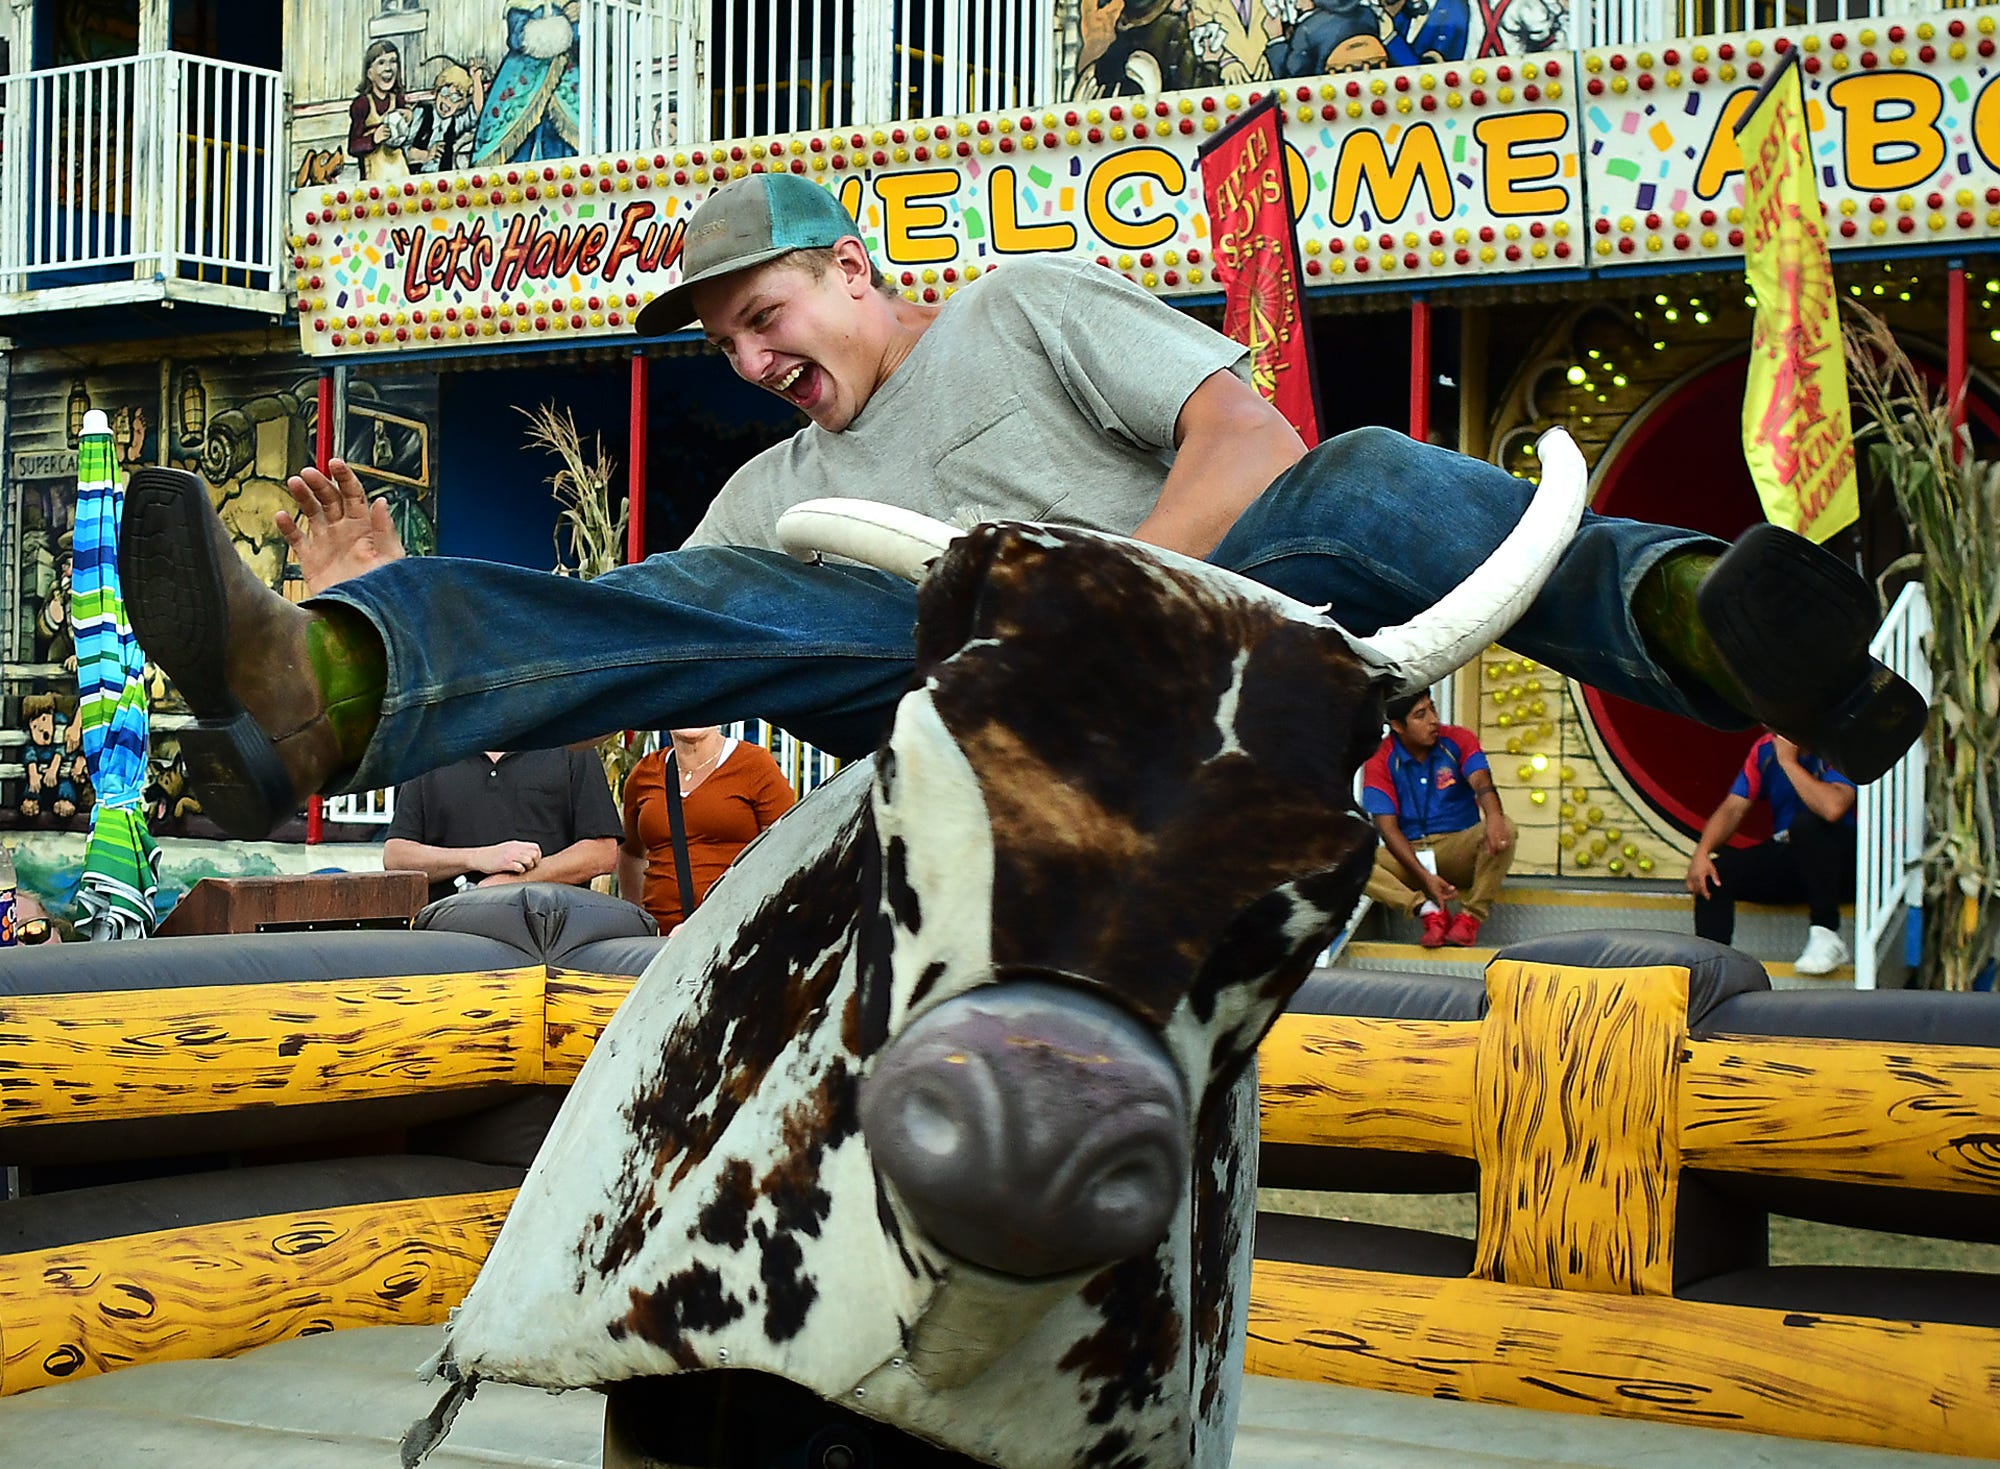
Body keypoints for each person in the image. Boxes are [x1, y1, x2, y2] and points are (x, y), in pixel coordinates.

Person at [118, 173, 1927, 846]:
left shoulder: (1017, 310)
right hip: (957, 685)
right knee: (725, 594)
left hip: (1206, 629)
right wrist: (383, 579)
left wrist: (1114, 593)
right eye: (729, 344)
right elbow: (651, 627)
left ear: (854, 270)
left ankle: (1721, 627)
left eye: (767, 319)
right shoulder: (773, 488)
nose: (752, 361)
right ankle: (332, 684)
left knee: (1364, 474)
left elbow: (1243, 436)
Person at [1684, 732, 1857, 975]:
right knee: (1715, 874)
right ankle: (1711, 970)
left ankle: (1826, 934)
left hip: (1841, 867)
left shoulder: (1837, 742)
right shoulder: (1764, 749)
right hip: (1794, 860)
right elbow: (1733, 808)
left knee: (1807, 825)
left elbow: (1833, 808)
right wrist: (1701, 853)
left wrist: (1788, 760)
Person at [1361, 691, 1512, 947]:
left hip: (1458, 851)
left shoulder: (1458, 739)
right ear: (1397, 726)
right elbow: (1387, 828)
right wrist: (1424, 878)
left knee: (1506, 827)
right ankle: (1426, 910)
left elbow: (1480, 781)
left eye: (1432, 709)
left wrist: (1495, 816)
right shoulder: (1380, 759)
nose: (1433, 720)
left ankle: (1469, 918)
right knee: (1347, 858)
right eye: (1421, 715)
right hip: (1409, 857)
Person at [382, 747, 620, 907]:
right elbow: (397, 856)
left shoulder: (571, 745)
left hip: (548, 933)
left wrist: (511, 883)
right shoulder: (432, 750)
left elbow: (600, 853)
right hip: (450, 936)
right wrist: (476, 858)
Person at [617, 727, 796, 932]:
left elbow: (787, 850)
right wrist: (638, 920)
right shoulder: (645, 773)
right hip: (660, 940)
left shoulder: (755, 764)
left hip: (736, 932)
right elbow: (631, 852)